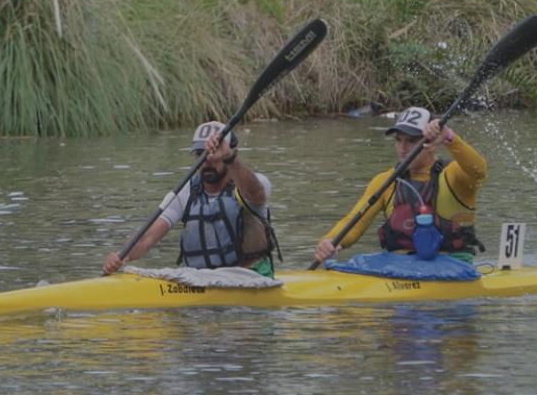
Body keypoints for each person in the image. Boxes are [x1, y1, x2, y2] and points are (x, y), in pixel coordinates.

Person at [103, 121, 280, 277]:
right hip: (201, 280)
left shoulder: (253, 183)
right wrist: (122, 256)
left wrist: (229, 158)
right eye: (200, 154)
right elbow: (146, 238)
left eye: (214, 154)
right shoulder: (185, 192)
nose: (207, 160)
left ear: (231, 153)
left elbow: (256, 194)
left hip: (251, 278)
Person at [314, 106, 487, 264]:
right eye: (399, 140)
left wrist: (450, 137)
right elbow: (355, 222)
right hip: (400, 267)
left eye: (411, 141)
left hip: (453, 267)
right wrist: (330, 241)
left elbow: (479, 170)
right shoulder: (386, 181)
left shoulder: (453, 176)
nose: (402, 148)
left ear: (432, 144)